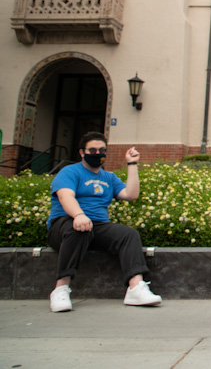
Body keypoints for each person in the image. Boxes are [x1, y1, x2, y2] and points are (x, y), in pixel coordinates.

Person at [47, 131, 162, 312]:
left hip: (96, 226)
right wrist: (78, 215)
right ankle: (60, 288)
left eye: (102, 150)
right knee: (80, 229)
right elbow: (65, 196)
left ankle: (135, 288)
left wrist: (132, 164)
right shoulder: (70, 172)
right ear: (82, 152)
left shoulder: (108, 178)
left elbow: (131, 195)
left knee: (128, 235)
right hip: (64, 225)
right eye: (92, 150)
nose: (97, 154)